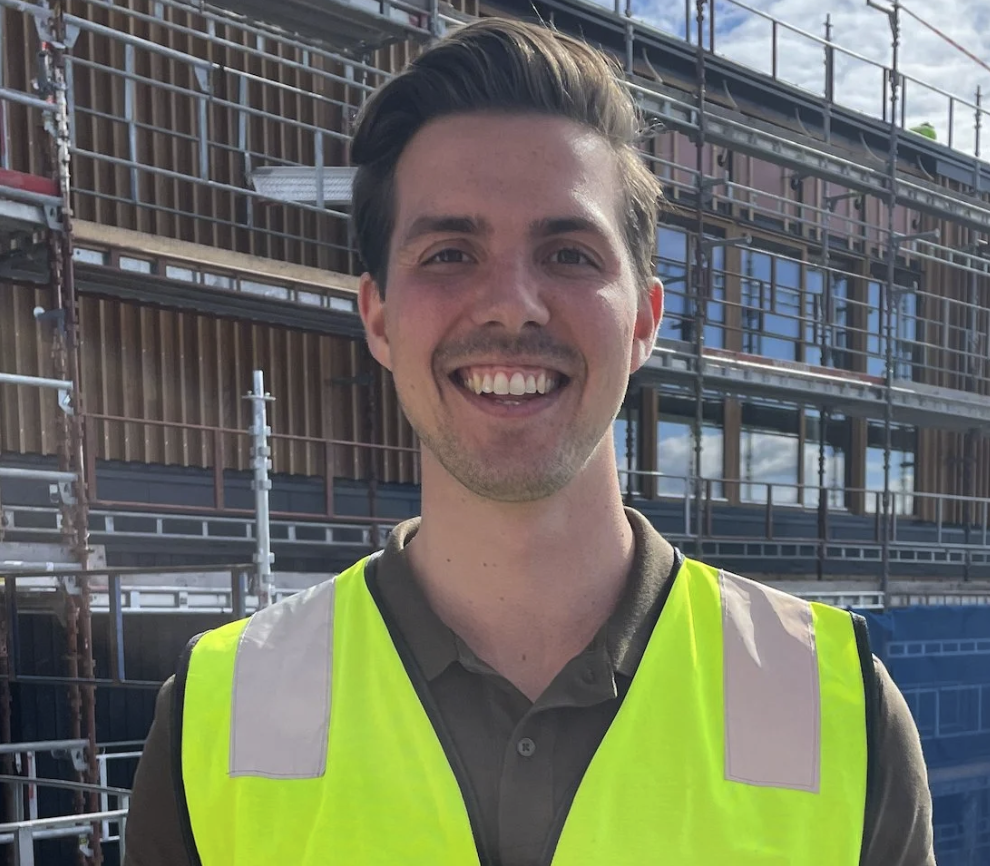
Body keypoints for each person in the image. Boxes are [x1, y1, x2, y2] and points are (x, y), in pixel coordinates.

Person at [123, 18, 935, 866]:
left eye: (569, 254)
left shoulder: (835, 712)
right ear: (379, 319)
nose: (512, 304)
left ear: (644, 321)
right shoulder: (217, 719)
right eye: (449, 253)